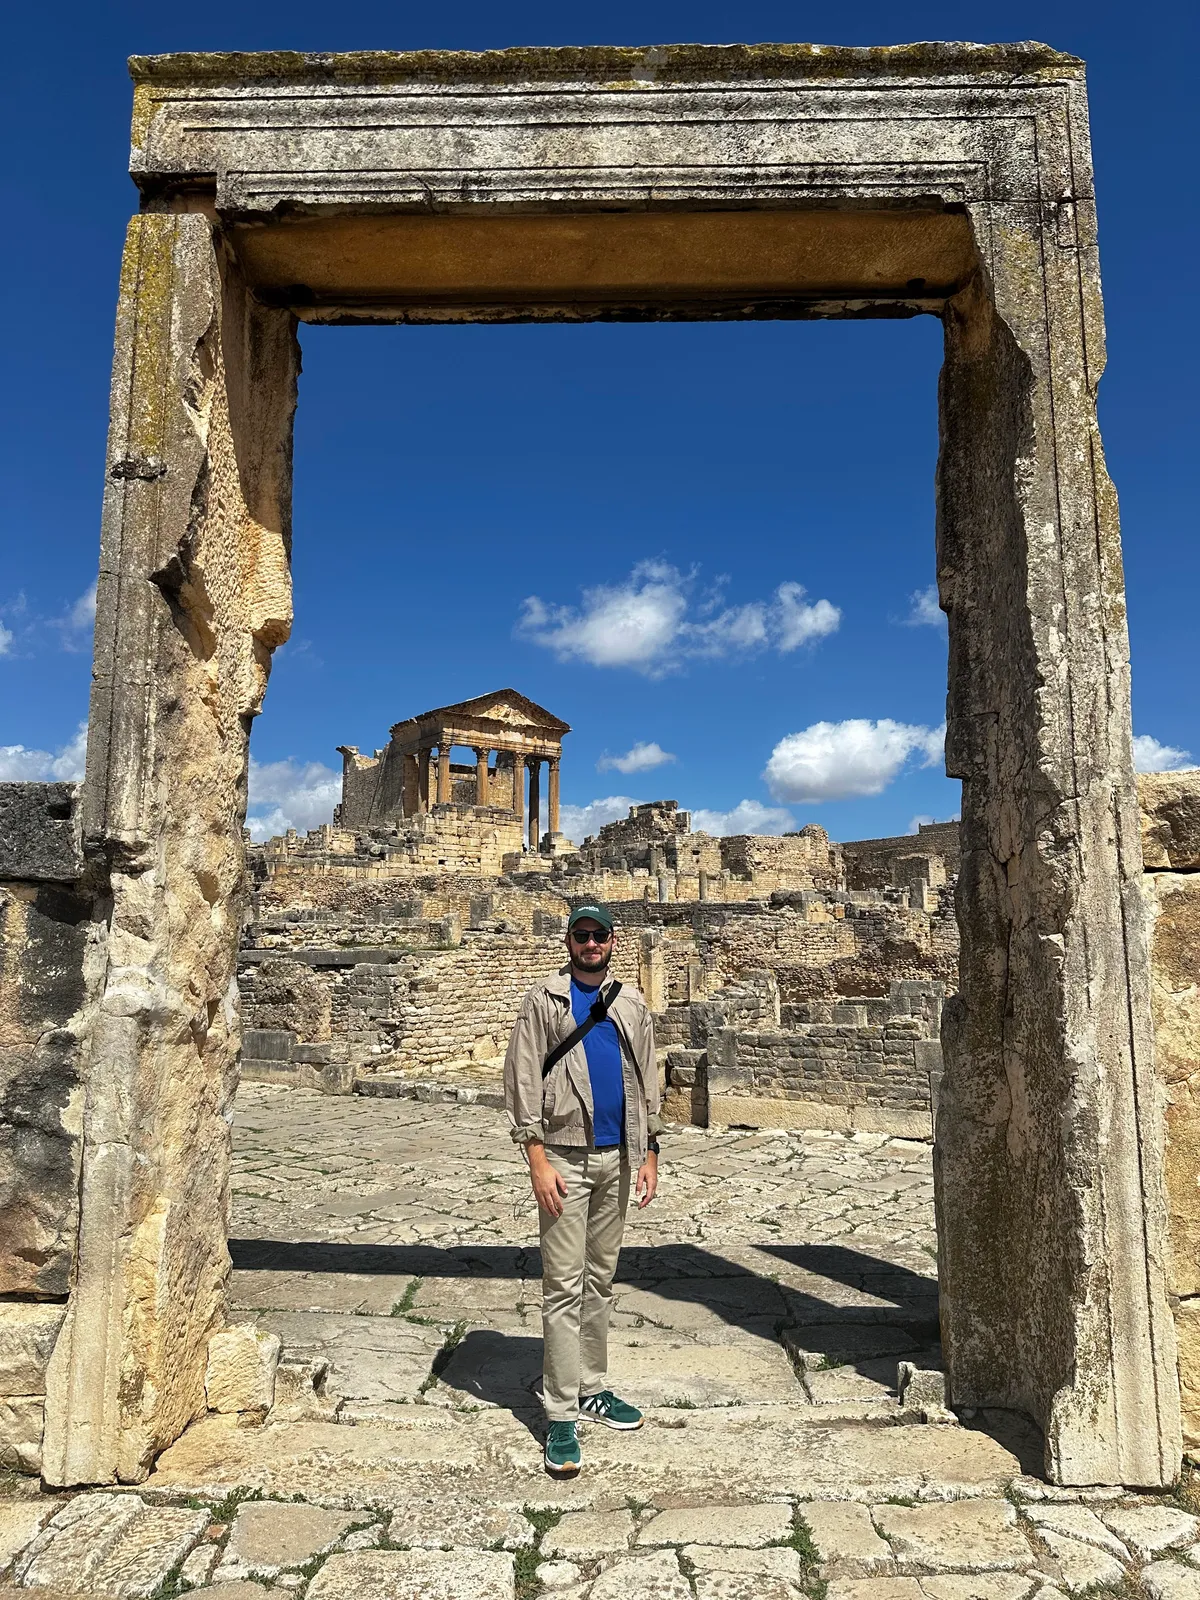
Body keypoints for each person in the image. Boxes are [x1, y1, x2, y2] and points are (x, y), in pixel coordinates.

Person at [503, 901, 662, 1477]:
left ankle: (592, 1386)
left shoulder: (631, 1002)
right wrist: (536, 1159)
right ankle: (562, 1414)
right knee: (563, 1285)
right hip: (564, 1158)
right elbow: (521, 1079)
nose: (590, 943)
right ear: (568, 941)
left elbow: (647, 1077)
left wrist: (648, 1151)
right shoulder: (544, 1000)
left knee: (601, 1279)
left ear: (613, 941)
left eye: (599, 935)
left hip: (618, 1159)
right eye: (581, 935)